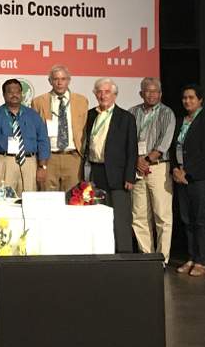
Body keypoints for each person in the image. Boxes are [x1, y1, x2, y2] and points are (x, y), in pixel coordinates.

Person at [82, 77, 137, 253]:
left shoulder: (126, 118)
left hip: (118, 174)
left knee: (120, 218)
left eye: (106, 92)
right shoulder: (91, 115)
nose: (102, 95)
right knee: (98, 215)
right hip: (95, 171)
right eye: (99, 91)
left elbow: (132, 149)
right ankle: (102, 253)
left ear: (114, 95)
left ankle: (124, 255)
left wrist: (130, 176)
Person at [128, 77, 176, 265]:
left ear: (161, 94)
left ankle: (161, 258)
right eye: (147, 91)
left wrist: (147, 160)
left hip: (158, 167)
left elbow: (165, 142)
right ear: (141, 93)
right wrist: (137, 160)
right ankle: (146, 256)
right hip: (137, 168)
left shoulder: (167, 113)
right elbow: (129, 140)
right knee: (139, 215)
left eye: (155, 91)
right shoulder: (132, 112)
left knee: (162, 215)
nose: (151, 94)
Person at [171, 84, 205, 277]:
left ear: (200, 100)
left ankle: (201, 261)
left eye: (191, 98)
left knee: (201, 220)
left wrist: (187, 173)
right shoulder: (181, 121)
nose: (187, 101)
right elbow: (173, 148)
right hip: (181, 178)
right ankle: (191, 256)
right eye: (184, 98)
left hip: (200, 178)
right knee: (187, 220)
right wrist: (175, 169)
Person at [0, 79, 49, 196]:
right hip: (4, 162)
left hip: (29, 163)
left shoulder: (33, 115)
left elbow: (43, 141)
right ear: (4, 95)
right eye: (10, 92)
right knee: (4, 199)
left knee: (29, 200)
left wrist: (42, 167)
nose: (14, 95)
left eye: (17, 91)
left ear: (21, 94)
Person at [31, 65, 88, 193]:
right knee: (48, 200)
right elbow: (35, 132)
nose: (60, 82)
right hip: (49, 157)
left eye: (63, 79)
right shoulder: (39, 101)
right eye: (56, 79)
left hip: (73, 157)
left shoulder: (81, 101)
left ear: (69, 80)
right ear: (50, 81)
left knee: (73, 198)